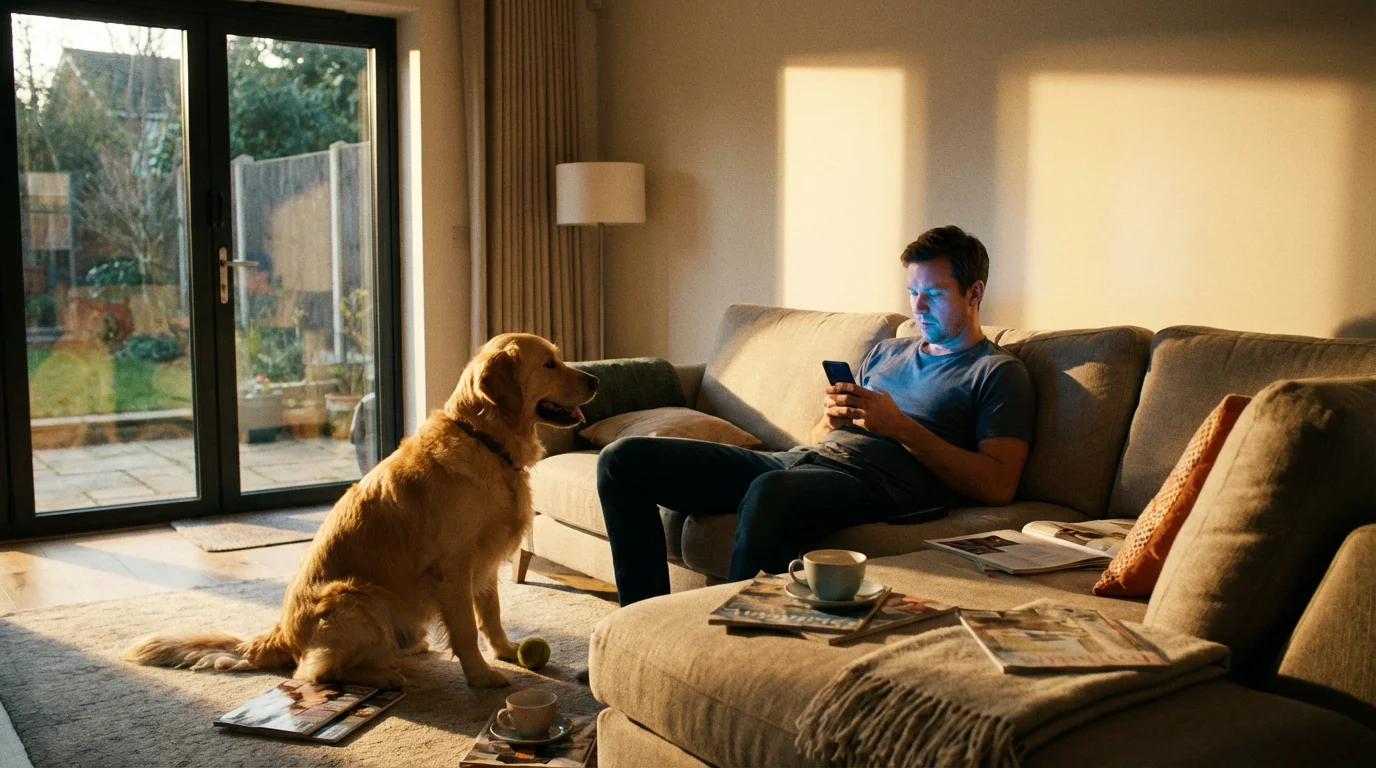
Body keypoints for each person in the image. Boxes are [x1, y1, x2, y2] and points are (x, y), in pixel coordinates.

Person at [596, 225, 1035, 606]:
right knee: (623, 460)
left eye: (934, 295)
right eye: (913, 293)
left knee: (774, 490)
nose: (918, 308)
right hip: (802, 462)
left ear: (974, 292)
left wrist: (900, 427)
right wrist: (832, 420)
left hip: (879, 487)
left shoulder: (997, 372)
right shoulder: (888, 351)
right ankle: (641, 619)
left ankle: (726, 642)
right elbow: (817, 437)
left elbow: (998, 484)